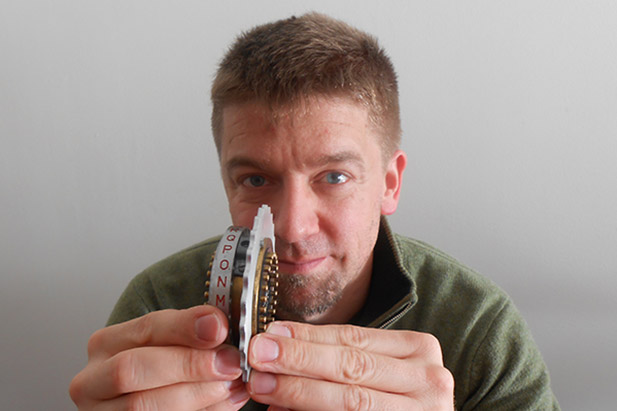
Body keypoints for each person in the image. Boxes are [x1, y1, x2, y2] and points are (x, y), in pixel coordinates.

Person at [70, 12, 559, 410]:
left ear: (390, 183)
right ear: (226, 182)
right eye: (256, 180)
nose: (291, 226)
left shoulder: (479, 328)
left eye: (334, 177)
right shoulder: (157, 305)